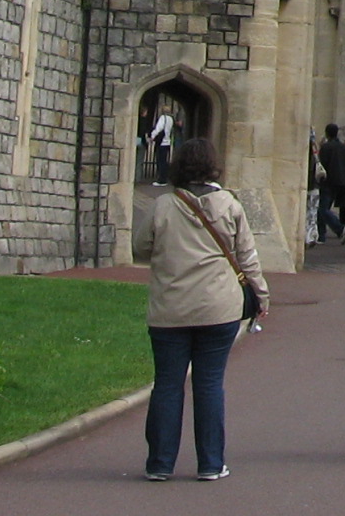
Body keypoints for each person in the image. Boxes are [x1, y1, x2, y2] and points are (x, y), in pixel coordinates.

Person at [131, 136, 269, 483]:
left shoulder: (163, 205)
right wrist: (261, 297)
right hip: (218, 307)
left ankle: (160, 463)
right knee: (209, 385)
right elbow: (247, 257)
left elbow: (141, 246)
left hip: (171, 307)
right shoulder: (229, 204)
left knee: (167, 385)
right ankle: (210, 463)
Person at [318, 124, 345, 243]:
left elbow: (322, 164)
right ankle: (321, 235)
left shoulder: (326, 147)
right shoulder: (343, 148)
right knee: (324, 208)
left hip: (327, 181)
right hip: (340, 181)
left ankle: (339, 228)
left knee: (322, 209)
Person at [147, 103, 175, 185]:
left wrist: (152, 136)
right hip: (167, 142)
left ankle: (161, 179)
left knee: (160, 161)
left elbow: (158, 128)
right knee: (164, 160)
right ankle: (164, 177)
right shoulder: (171, 119)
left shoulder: (163, 118)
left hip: (161, 142)